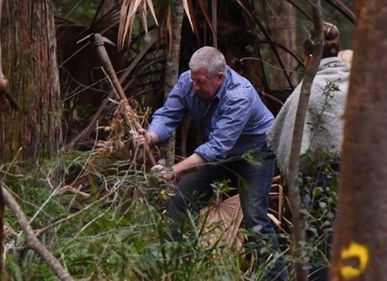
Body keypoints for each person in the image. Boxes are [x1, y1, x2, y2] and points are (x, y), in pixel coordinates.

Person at [134, 46, 287, 280]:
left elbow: (215, 148)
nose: (194, 87)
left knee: (255, 216)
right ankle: (175, 268)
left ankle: (277, 278)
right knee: (182, 200)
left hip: (254, 154)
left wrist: (173, 171)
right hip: (219, 153)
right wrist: (151, 136)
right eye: (193, 79)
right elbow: (168, 115)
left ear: (220, 77)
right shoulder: (189, 80)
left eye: (201, 81)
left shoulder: (239, 95)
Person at [268, 22, 350, 281]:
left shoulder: (307, 91)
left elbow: (289, 145)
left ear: (307, 56)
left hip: (322, 185)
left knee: (320, 249)